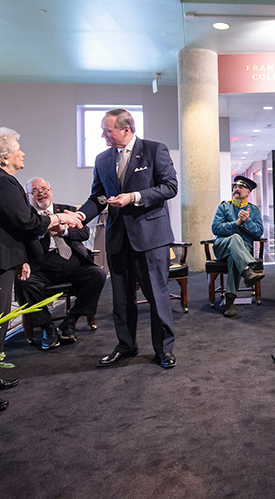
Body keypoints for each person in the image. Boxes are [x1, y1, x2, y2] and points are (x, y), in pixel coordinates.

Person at [0, 127, 83, 413]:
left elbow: (10, 226)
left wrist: (20, 258)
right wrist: (61, 216)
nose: (22, 153)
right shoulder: (1, 181)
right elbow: (27, 223)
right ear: (3, 156)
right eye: (17, 148)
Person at [76, 108, 179, 369]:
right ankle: (126, 346)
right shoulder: (102, 160)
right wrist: (79, 216)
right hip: (118, 239)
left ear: (126, 129)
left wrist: (133, 197)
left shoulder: (155, 150)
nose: (103, 135)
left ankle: (163, 350)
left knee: (157, 296)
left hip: (151, 237)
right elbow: (98, 197)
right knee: (121, 299)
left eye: (107, 130)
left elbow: (170, 187)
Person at [16, 177, 106, 351]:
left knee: (98, 275)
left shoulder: (68, 211)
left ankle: (70, 321)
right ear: (28, 197)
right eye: (35, 191)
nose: (41, 193)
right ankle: (47, 328)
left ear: (51, 191)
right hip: (42, 265)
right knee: (25, 283)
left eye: (44, 189)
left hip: (73, 262)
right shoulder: (26, 217)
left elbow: (84, 233)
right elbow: (21, 241)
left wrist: (63, 229)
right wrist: (43, 230)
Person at [211, 175, 265, 318]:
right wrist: (237, 223)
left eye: (241, 187)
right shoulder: (223, 207)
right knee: (235, 237)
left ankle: (230, 301)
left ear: (248, 192)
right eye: (235, 186)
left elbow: (259, 232)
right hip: (222, 246)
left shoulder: (253, 210)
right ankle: (247, 271)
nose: (237, 189)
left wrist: (247, 222)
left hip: (243, 249)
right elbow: (216, 229)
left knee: (234, 259)